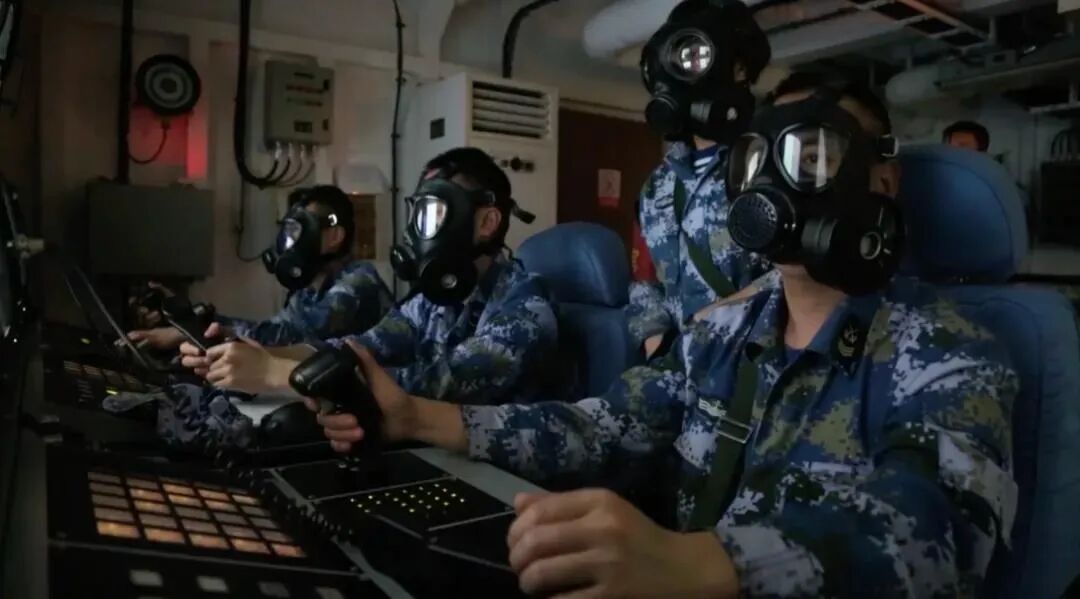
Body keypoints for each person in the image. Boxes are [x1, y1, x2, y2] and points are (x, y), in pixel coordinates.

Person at [312, 75, 1018, 597]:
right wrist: (415, 417)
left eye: (814, 154)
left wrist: (699, 564)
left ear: (882, 180)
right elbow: (608, 424)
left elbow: (937, 530)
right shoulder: (722, 332)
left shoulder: (947, 348)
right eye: (762, 157)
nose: (781, 180)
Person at [180, 147, 563, 405]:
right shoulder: (431, 303)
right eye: (418, 215)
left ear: (487, 222)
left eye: (432, 215)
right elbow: (359, 348)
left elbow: (437, 384)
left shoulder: (524, 307)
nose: (417, 232)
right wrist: (253, 355)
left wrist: (277, 373)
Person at [629, 0, 776, 360]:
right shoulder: (658, 185)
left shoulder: (775, 164)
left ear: (739, 69)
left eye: (698, 54)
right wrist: (657, 343)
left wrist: (712, 321)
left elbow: (803, 278)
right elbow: (645, 282)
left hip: (752, 366)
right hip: (677, 366)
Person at [128, 185, 393, 349]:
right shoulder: (308, 290)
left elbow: (294, 337)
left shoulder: (359, 282)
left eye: (302, 231)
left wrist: (188, 332)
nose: (292, 242)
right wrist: (188, 319)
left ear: (335, 236)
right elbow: (272, 329)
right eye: (290, 232)